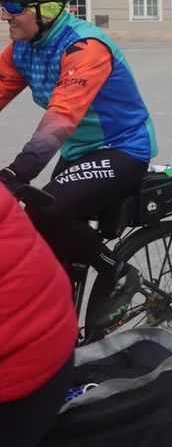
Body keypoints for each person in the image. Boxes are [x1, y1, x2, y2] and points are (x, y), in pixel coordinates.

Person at [0, 0, 155, 331]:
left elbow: (61, 118)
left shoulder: (86, 47)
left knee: (46, 211)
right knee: (40, 238)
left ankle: (119, 271)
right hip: (78, 152)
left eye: (14, 8)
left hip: (123, 147)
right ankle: (63, 330)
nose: (6, 16)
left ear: (48, 8)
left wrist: (16, 173)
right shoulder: (22, 48)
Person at [0, 185, 79, 447]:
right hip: (43, 335)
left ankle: (117, 269)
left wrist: (25, 164)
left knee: (55, 210)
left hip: (123, 152)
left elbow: (56, 139)